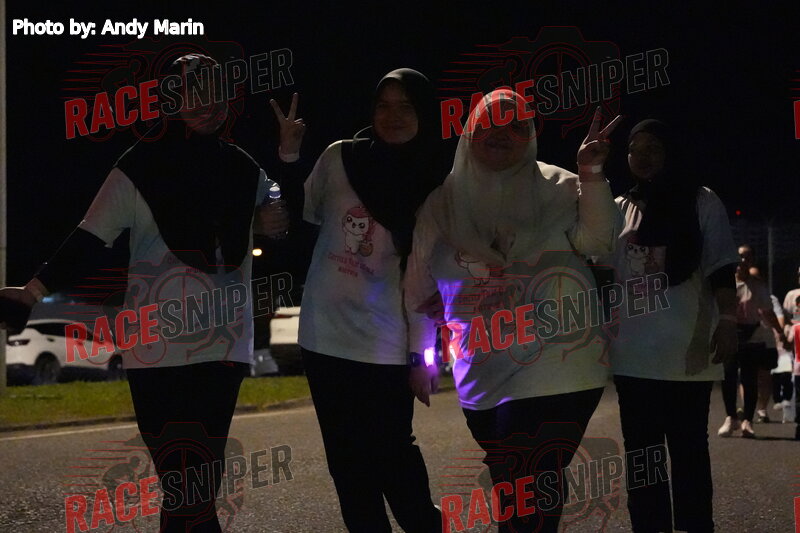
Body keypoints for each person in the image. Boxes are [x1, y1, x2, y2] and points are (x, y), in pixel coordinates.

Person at [0, 53, 290, 532]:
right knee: (186, 489)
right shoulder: (139, 165)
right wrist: (32, 292)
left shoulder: (243, 168)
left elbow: (280, 218)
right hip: (156, 349)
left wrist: (284, 172)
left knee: (196, 489)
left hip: (222, 348)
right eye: (194, 92)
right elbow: (90, 238)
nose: (208, 103)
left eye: (216, 92)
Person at [404, 89, 621, 532]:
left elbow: (599, 242)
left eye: (515, 126)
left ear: (531, 135)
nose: (501, 134)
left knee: (528, 471)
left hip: (560, 360)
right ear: (470, 132)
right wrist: (419, 356)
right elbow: (418, 284)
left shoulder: (561, 186)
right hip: (481, 367)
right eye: (489, 124)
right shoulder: (443, 203)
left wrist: (592, 172)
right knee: (513, 476)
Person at [286, 68, 450, 532]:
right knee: (347, 464)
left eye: (406, 106)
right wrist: (289, 155)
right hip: (323, 336)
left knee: (394, 456)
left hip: (386, 344)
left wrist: (421, 356)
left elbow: (425, 280)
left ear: (425, 113)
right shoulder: (340, 157)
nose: (393, 116)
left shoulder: (438, 181)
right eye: (383, 105)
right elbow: (303, 213)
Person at [604, 119, 738, 532]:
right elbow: (604, 273)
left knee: (689, 454)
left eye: (653, 148)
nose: (642, 157)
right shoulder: (620, 208)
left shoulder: (701, 200)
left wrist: (728, 319)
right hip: (633, 357)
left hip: (686, 354)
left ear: (670, 152)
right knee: (642, 459)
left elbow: (721, 266)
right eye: (634, 149)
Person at [719, 244, 790, 438]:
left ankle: (747, 421)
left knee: (749, 379)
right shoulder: (726, 283)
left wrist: (780, 333)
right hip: (730, 335)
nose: (743, 261)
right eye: (740, 256)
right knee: (728, 376)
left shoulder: (758, 286)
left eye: (747, 257)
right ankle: (731, 416)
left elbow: (768, 312)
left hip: (752, 336)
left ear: (752, 261)